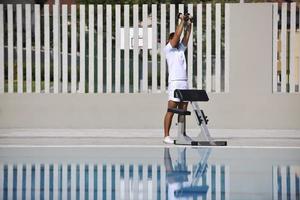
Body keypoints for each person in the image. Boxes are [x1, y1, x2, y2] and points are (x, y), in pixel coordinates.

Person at [163, 13, 193, 144]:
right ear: (169, 41)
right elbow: (177, 36)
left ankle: (182, 134)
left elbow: (186, 37)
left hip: (184, 82)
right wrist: (181, 20)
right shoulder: (168, 49)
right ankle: (166, 136)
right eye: (174, 39)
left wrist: (190, 23)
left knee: (183, 110)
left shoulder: (180, 50)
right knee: (171, 109)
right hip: (174, 83)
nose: (176, 41)